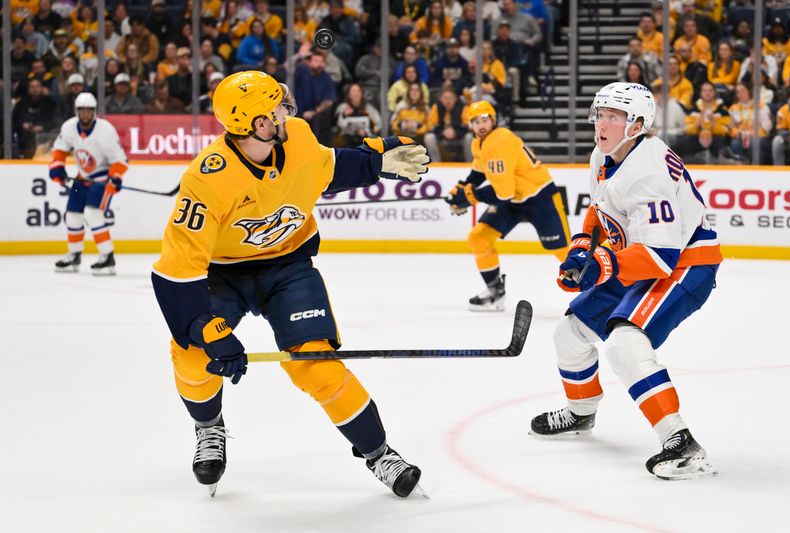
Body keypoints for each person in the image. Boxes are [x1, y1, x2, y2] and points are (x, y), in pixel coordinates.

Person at [150, 71, 430, 498]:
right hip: (224, 274)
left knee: (317, 366)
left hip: (289, 267)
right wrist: (205, 328)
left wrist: (375, 161)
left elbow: (326, 168)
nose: (286, 110)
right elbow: (176, 268)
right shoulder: (207, 179)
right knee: (191, 355)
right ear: (257, 125)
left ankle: (379, 453)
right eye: (275, 107)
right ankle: (208, 427)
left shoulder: (296, 135)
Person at [528, 82, 722, 480]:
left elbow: (659, 257)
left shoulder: (648, 171)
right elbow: (600, 211)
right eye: (599, 114)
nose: (601, 123)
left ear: (635, 125)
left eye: (612, 117)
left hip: (685, 262)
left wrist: (599, 264)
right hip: (638, 256)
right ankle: (581, 412)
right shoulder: (604, 154)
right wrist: (583, 248)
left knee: (624, 342)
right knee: (569, 333)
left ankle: (681, 442)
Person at [444, 100, 570, 311]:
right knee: (479, 238)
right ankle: (495, 292)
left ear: (493, 120)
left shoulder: (500, 141)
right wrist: (461, 189)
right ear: (470, 125)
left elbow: (503, 193)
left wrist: (470, 196)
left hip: (539, 198)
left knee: (564, 252)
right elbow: (479, 172)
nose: (481, 124)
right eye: (476, 121)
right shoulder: (478, 142)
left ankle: (600, 292)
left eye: (485, 119)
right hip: (512, 201)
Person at [48, 92, 128, 275]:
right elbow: (59, 150)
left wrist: (115, 178)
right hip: (81, 179)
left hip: (102, 179)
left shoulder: (106, 130)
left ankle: (107, 257)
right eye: (81, 110)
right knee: (72, 215)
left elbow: (121, 160)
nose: (85, 114)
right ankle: (74, 256)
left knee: (93, 214)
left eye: (88, 111)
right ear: (77, 111)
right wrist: (57, 168)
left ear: (94, 111)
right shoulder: (69, 127)